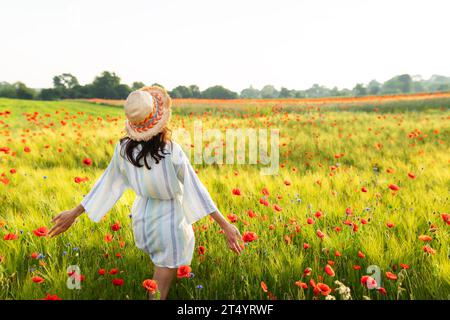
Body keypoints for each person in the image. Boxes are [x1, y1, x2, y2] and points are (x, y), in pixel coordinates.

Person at [48, 86, 242, 299]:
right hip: (169, 222)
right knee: (159, 288)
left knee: (159, 279)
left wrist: (74, 213)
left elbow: (106, 183)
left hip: (142, 219)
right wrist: (226, 225)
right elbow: (196, 189)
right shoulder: (170, 151)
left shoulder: (123, 150)